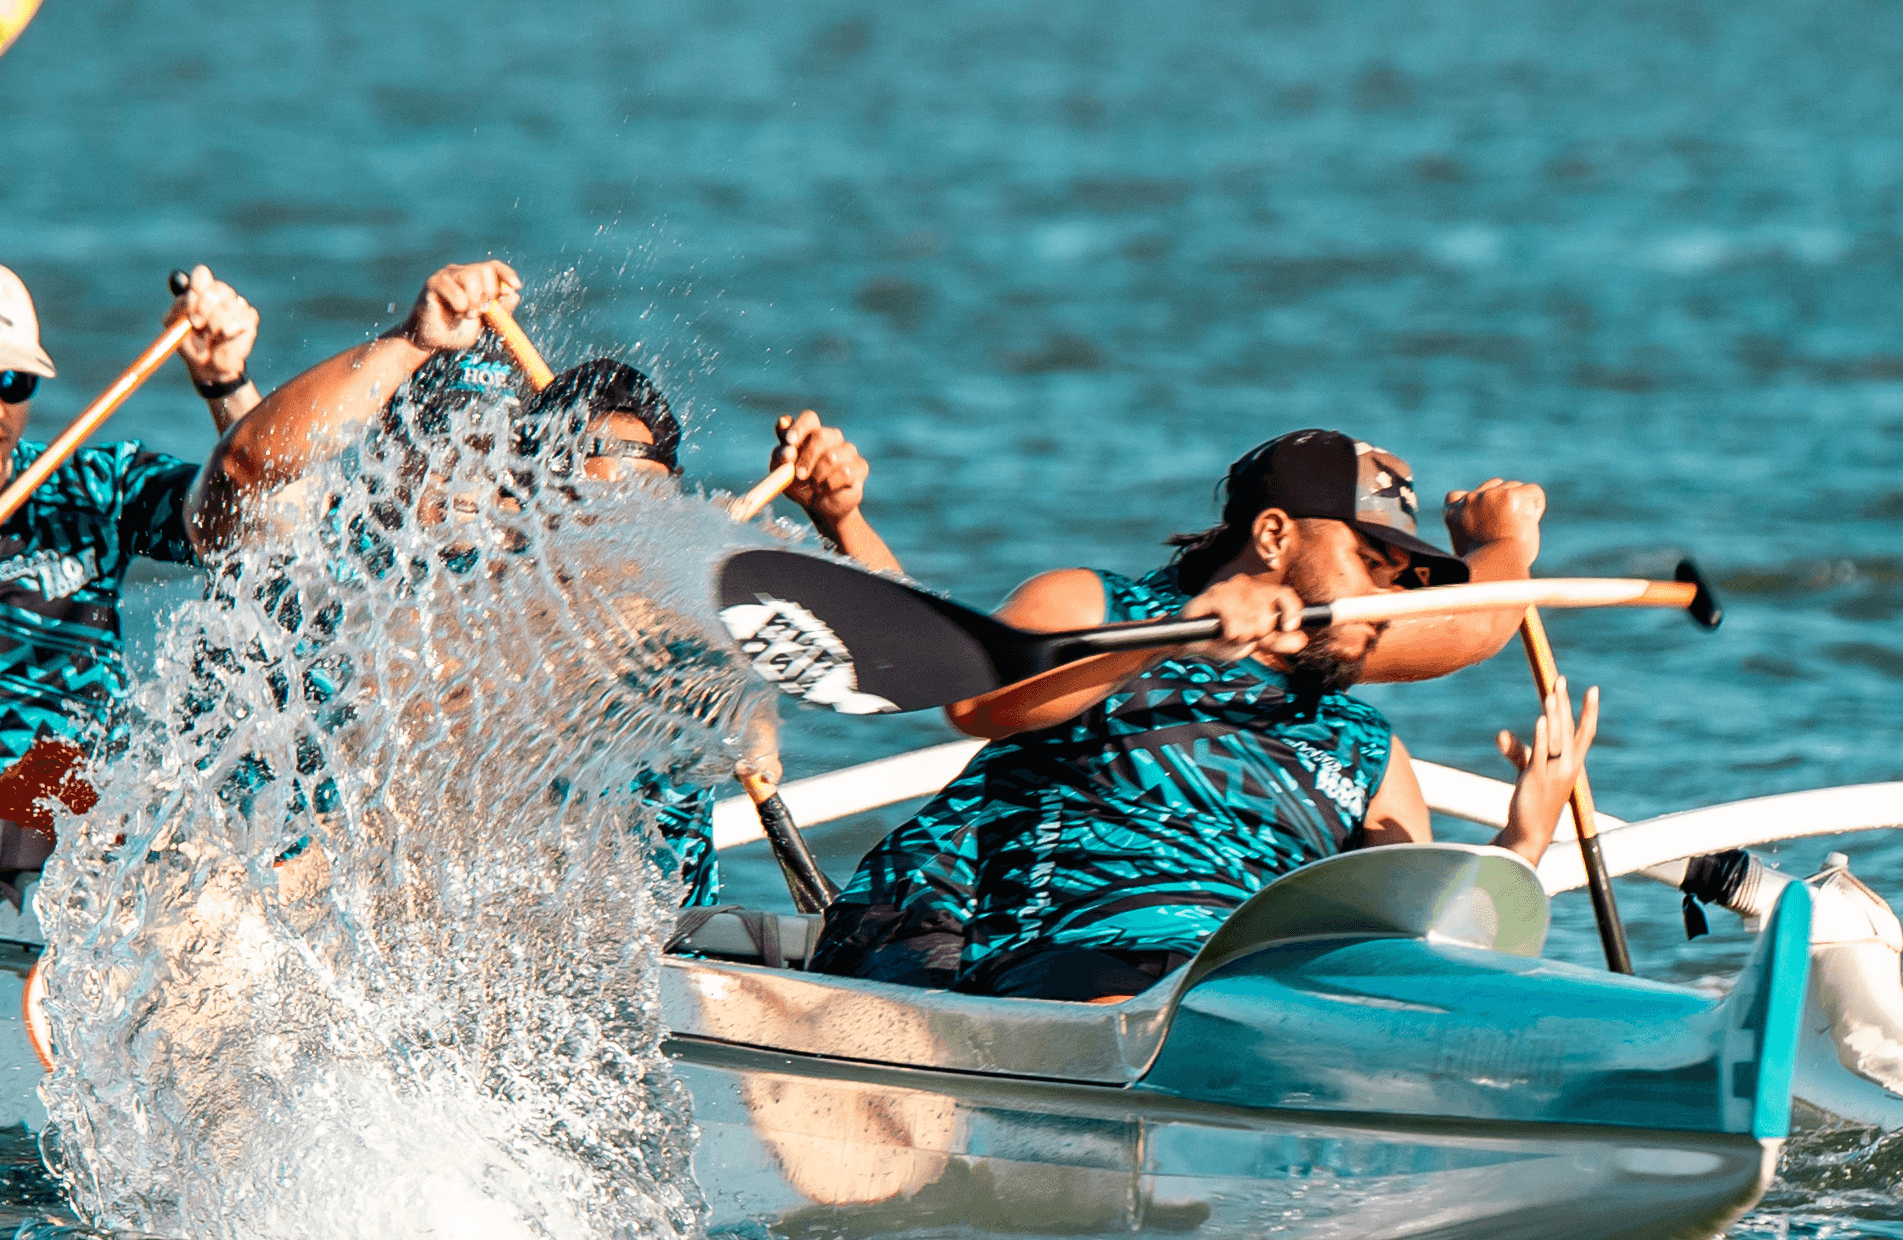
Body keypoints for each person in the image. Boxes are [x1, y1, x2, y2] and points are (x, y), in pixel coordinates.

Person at [192, 258, 894, 905]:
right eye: (595, 512)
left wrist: (841, 522)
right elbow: (246, 467)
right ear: (521, 505)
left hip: (660, 953)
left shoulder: (693, 599)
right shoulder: (422, 598)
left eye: (642, 513)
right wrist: (412, 341)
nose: (623, 538)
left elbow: (898, 661)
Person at [817, 429, 1593, 1001]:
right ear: (1273, 535)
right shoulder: (1097, 608)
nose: (1390, 605)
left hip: (1235, 997)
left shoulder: (1369, 749)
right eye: (1370, 564)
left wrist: (1523, 840)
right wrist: (1168, 639)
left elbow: (1395, 949)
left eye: (1402, 583)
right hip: (1058, 964)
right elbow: (980, 702)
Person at [0, 263, 263, 889]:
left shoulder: (91, 485)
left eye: (11, 381)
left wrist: (225, 383)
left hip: (74, 810)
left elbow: (255, 513)